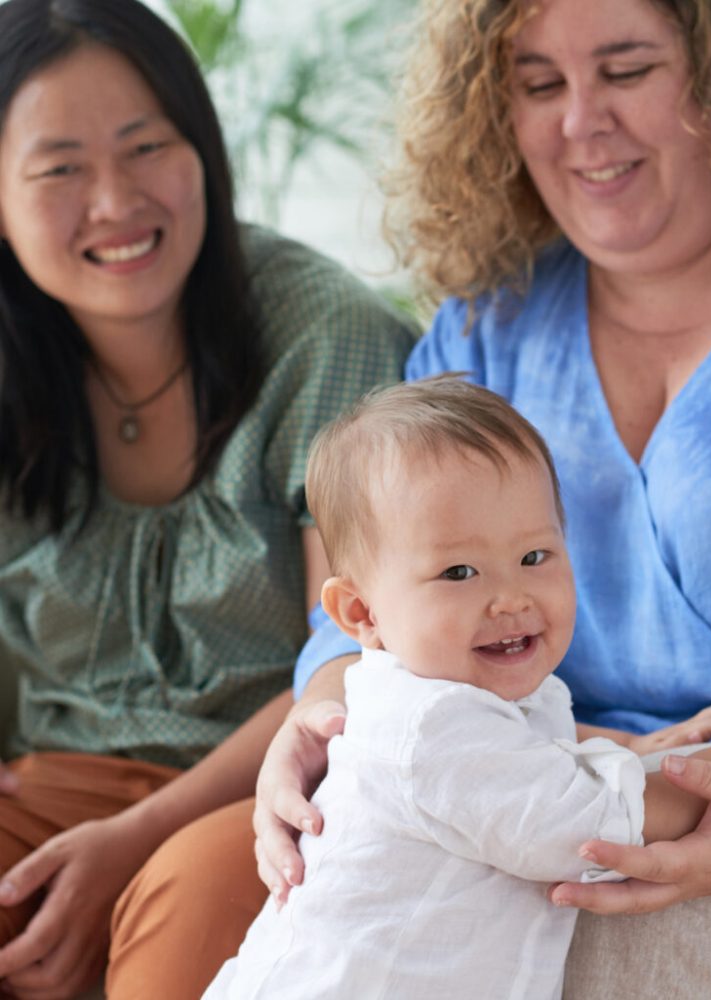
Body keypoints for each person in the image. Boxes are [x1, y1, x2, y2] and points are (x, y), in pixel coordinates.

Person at [252, 0, 711, 997]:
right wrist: (318, 717)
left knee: (623, 937)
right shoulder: (492, 322)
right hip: (573, 786)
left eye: (628, 69)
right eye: (539, 84)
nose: (580, 123)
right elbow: (372, 610)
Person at [0, 0, 414, 996]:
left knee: (186, 922)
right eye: (59, 168)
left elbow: (363, 659)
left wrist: (129, 839)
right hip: (58, 782)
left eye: (147, 147)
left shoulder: (327, 338)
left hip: (283, 789)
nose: (113, 200)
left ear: (204, 150)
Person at [204, 376, 711, 1000]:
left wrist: (642, 745)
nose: (511, 597)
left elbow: (541, 763)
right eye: (458, 572)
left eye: (535, 557)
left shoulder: (462, 695)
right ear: (362, 613)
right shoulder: (429, 726)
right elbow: (602, 825)